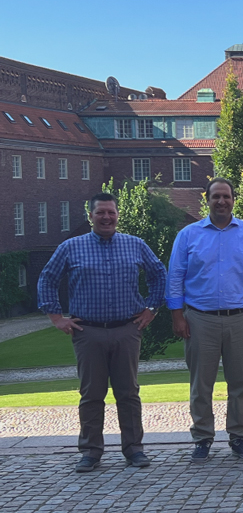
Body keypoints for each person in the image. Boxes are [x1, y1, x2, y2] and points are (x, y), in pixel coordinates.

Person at [36, 192, 166, 473]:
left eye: (111, 213)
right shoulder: (71, 247)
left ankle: (134, 449)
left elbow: (159, 274)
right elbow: (47, 278)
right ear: (90, 216)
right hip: (88, 332)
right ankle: (91, 451)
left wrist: (152, 309)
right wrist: (56, 317)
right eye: (101, 213)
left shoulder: (136, 245)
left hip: (126, 330)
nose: (106, 217)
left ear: (118, 215)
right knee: (91, 394)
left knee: (128, 393)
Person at [168, 178, 243, 463]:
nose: (221, 201)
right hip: (200, 319)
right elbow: (175, 276)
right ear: (208, 200)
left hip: (241, 317)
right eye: (216, 196)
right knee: (201, 384)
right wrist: (177, 315)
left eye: (226, 196)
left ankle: (239, 437)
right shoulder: (189, 235)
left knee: (239, 383)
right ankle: (202, 438)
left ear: (233, 200)